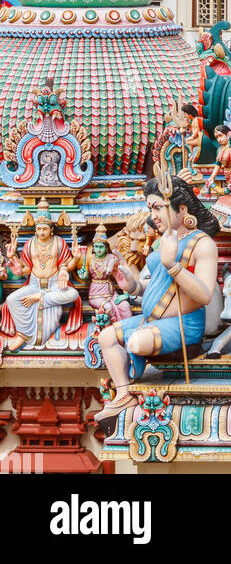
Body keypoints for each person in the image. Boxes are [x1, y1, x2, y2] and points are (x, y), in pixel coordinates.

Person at [95, 177, 219, 424]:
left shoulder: (202, 244)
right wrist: (132, 286)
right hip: (152, 319)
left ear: (181, 210)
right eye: (150, 208)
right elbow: (156, 285)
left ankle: (134, 365)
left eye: (158, 208)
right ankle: (123, 392)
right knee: (106, 337)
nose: (152, 215)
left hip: (184, 323)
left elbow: (204, 294)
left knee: (138, 343)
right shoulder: (163, 241)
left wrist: (173, 265)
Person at [1, 201, 83, 351]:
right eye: (38, 229)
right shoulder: (30, 244)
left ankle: (40, 298)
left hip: (53, 285)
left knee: (73, 293)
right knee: (11, 299)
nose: (41, 232)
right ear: (35, 230)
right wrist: (12, 258)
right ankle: (23, 334)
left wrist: (75, 259)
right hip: (33, 285)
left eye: (45, 228)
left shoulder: (59, 242)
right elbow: (24, 270)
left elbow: (65, 266)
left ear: (51, 230)